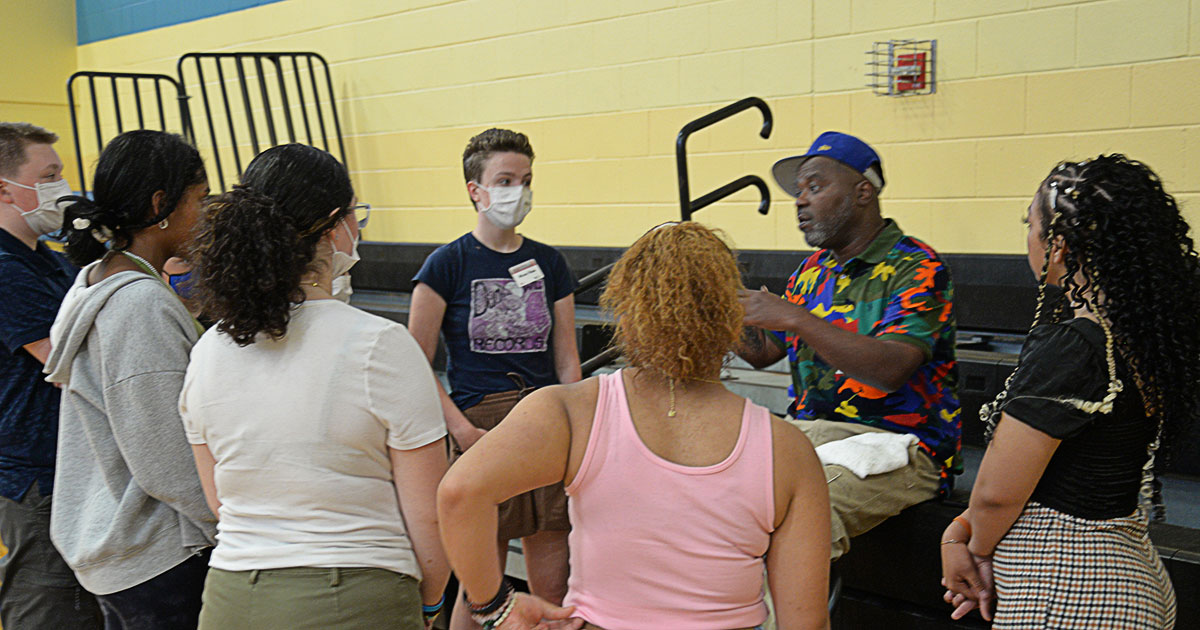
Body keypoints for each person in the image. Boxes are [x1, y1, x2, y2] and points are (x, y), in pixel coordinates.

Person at [438, 221, 831, 630]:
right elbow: (807, 623)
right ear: (733, 320)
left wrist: (495, 607)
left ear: (626, 313)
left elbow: (458, 494)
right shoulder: (788, 450)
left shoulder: (572, 412)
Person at [180, 143, 450, 629]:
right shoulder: (380, 345)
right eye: (355, 215)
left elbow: (221, 501)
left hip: (231, 597)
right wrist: (430, 603)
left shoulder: (208, 351)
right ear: (333, 227)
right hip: (356, 592)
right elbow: (427, 513)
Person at [940, 155, 1193, 629]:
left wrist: (970, 553)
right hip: (1128, 573)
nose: (1027, 239)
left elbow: (996, 495)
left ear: (1056, 245)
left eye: (1029, 224)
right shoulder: (1141, 338)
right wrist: (959, 534)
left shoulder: (1075, 347)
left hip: (1069, 589)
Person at [737, 131, 960, 560]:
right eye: (798, 191)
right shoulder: (812, 270)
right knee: (710, 490)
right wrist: (714, 301)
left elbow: (890, 368)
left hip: (900, 444)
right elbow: (765, 352)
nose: (800, 200)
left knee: (798, 511)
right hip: (810, 436)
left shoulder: (917, 267)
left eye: (814, 187)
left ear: (862, 192)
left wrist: (795, 317)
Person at [43, 130, 217, 628]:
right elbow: (164, 458)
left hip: (123, 544)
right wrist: (229, 523)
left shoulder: (96, 278)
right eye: (200, 199)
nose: (205, 215)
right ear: (161, 204)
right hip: (159, 553)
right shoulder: (140, 304)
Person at [409, 128, 580, 628]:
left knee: (553, 582)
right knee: (483, 585)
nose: (517, 192)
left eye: (525, 180)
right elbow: (415, 362)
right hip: (480, 425)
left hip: (547, 421)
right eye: (504, 180)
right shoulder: (445, 264)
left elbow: (567, 357)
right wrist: (461, 431)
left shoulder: (549, 262)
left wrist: (576, 426)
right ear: (474, 189)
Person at [0, 122, 102, 628]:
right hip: (34, 476)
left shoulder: (49, 262)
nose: (62, 190)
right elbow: (68, 361)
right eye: (50, 176)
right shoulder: (4, 268)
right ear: (5, 190)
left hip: (72, 465)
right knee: (47, 605)